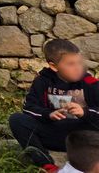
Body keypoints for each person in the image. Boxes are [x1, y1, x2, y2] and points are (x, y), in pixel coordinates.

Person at [10, 39, 99, 169]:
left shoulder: (89, 82)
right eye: (70, 64)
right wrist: (48, 114)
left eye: (79, 62)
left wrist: (84, 112)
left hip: (86, 137)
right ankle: (47, 166)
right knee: (17, 120)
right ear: (53, 66)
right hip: (56, 134)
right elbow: (28, 108)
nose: (78, 68)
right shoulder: (42, 82)